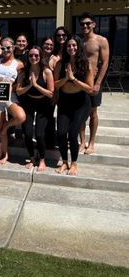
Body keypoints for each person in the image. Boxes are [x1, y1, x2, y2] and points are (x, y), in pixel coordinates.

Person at [54, 35, 94, 175]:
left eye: (74, 45)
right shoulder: (60, 63)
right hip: (64, 101)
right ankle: (64, 162)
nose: (71, 48)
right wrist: (65, 78)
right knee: (61, 133)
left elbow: (90, 88)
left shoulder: (85, 63)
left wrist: (73, 79)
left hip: (81, 103)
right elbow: (54, 85)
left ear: (79, 46)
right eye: (69, 46)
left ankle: (74, 163)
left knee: (72, 134)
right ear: (65, 48)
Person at [17, 46, 54, 170]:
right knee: (27, 133)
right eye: (31, 55)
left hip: (43, 105)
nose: (33, 58)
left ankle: (42, 159)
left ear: (41, 56)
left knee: (39, 134)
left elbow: (50, 93)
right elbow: (18, 91)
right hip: (28, 103)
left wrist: (36, 85)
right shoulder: (23, 72)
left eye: (36, 55)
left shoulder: (46, 71)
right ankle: (32, 158)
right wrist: (29, 86)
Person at [0, 37, 26, 165]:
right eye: (3, 48)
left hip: (10, 96)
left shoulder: (19, 64)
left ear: (13, 47)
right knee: (0, 129)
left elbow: (20, 83)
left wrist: (12, 87)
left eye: (8, 47)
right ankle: (4, 154)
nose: (6, 50)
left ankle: (7, 125)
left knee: (20, 116)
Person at [78, 12, 109, 154]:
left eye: (88, 23)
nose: (85, 26)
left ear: (93, 24)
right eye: (82, 24)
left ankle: (91, 143)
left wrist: (98, 83)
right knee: (80, 112)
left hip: (94, 82)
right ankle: (82, 141)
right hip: (80, 81)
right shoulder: (79, 42)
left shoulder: (101, 40)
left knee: (93, 112)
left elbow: (105, 63)